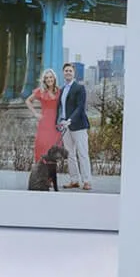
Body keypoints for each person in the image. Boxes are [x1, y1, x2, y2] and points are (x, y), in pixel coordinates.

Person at [57, 62, 92, 191]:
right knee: (70, 155)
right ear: (63, 73)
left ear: (74, 73)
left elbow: (80, 107)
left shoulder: (80, 88)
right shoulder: (61, 90)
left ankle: (87, 181)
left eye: (70, 71)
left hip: (79, 125)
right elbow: (61, 108)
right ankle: (74, 180)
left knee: (83, 153)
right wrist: (61, 120)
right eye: (66, 71)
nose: (68, 73)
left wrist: (70, 120)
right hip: (65, 127)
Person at [30, 69, 62, 166]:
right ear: (44, 80)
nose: (49, 79)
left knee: (53, 149)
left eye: (51, 77)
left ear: (54, 78)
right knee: (42, 147)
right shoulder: (40, 91)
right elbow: (27, 101)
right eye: (47, 78)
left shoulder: (59, 91)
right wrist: (35, 113)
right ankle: (40, 174)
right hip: (44, 123)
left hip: (55, 124)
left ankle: (50, 177)